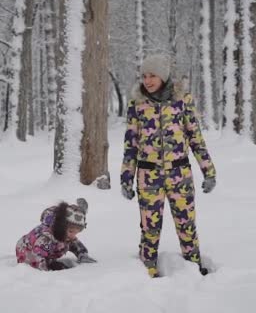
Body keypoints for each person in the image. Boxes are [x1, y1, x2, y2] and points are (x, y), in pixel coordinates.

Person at [120, 54, 217, 278]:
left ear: (163, 76)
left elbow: (195, 138)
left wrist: (208, 171)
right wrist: (126, 178)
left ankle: (194, 270)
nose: (148, 80)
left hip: (179, 174)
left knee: (186, 225)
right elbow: (131, 145)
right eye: (144, 76)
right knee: (149, 229)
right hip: (148, 177)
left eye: (152, 75)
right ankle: (148, 272)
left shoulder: (183, 100)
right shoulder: (137, 104)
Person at [16, 198, 97, 271]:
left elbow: (75, 244)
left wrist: (82, 254)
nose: (73, 235)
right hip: (27, 252)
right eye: (71, 231)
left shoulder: (67, 235)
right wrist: (45, 271)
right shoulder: (47, 237)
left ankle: (50, 262)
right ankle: (48, 264)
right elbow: (38, 254)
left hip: (46, 254)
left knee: (60, 253)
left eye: (76, 232)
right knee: (43, 261)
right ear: (61, 226)